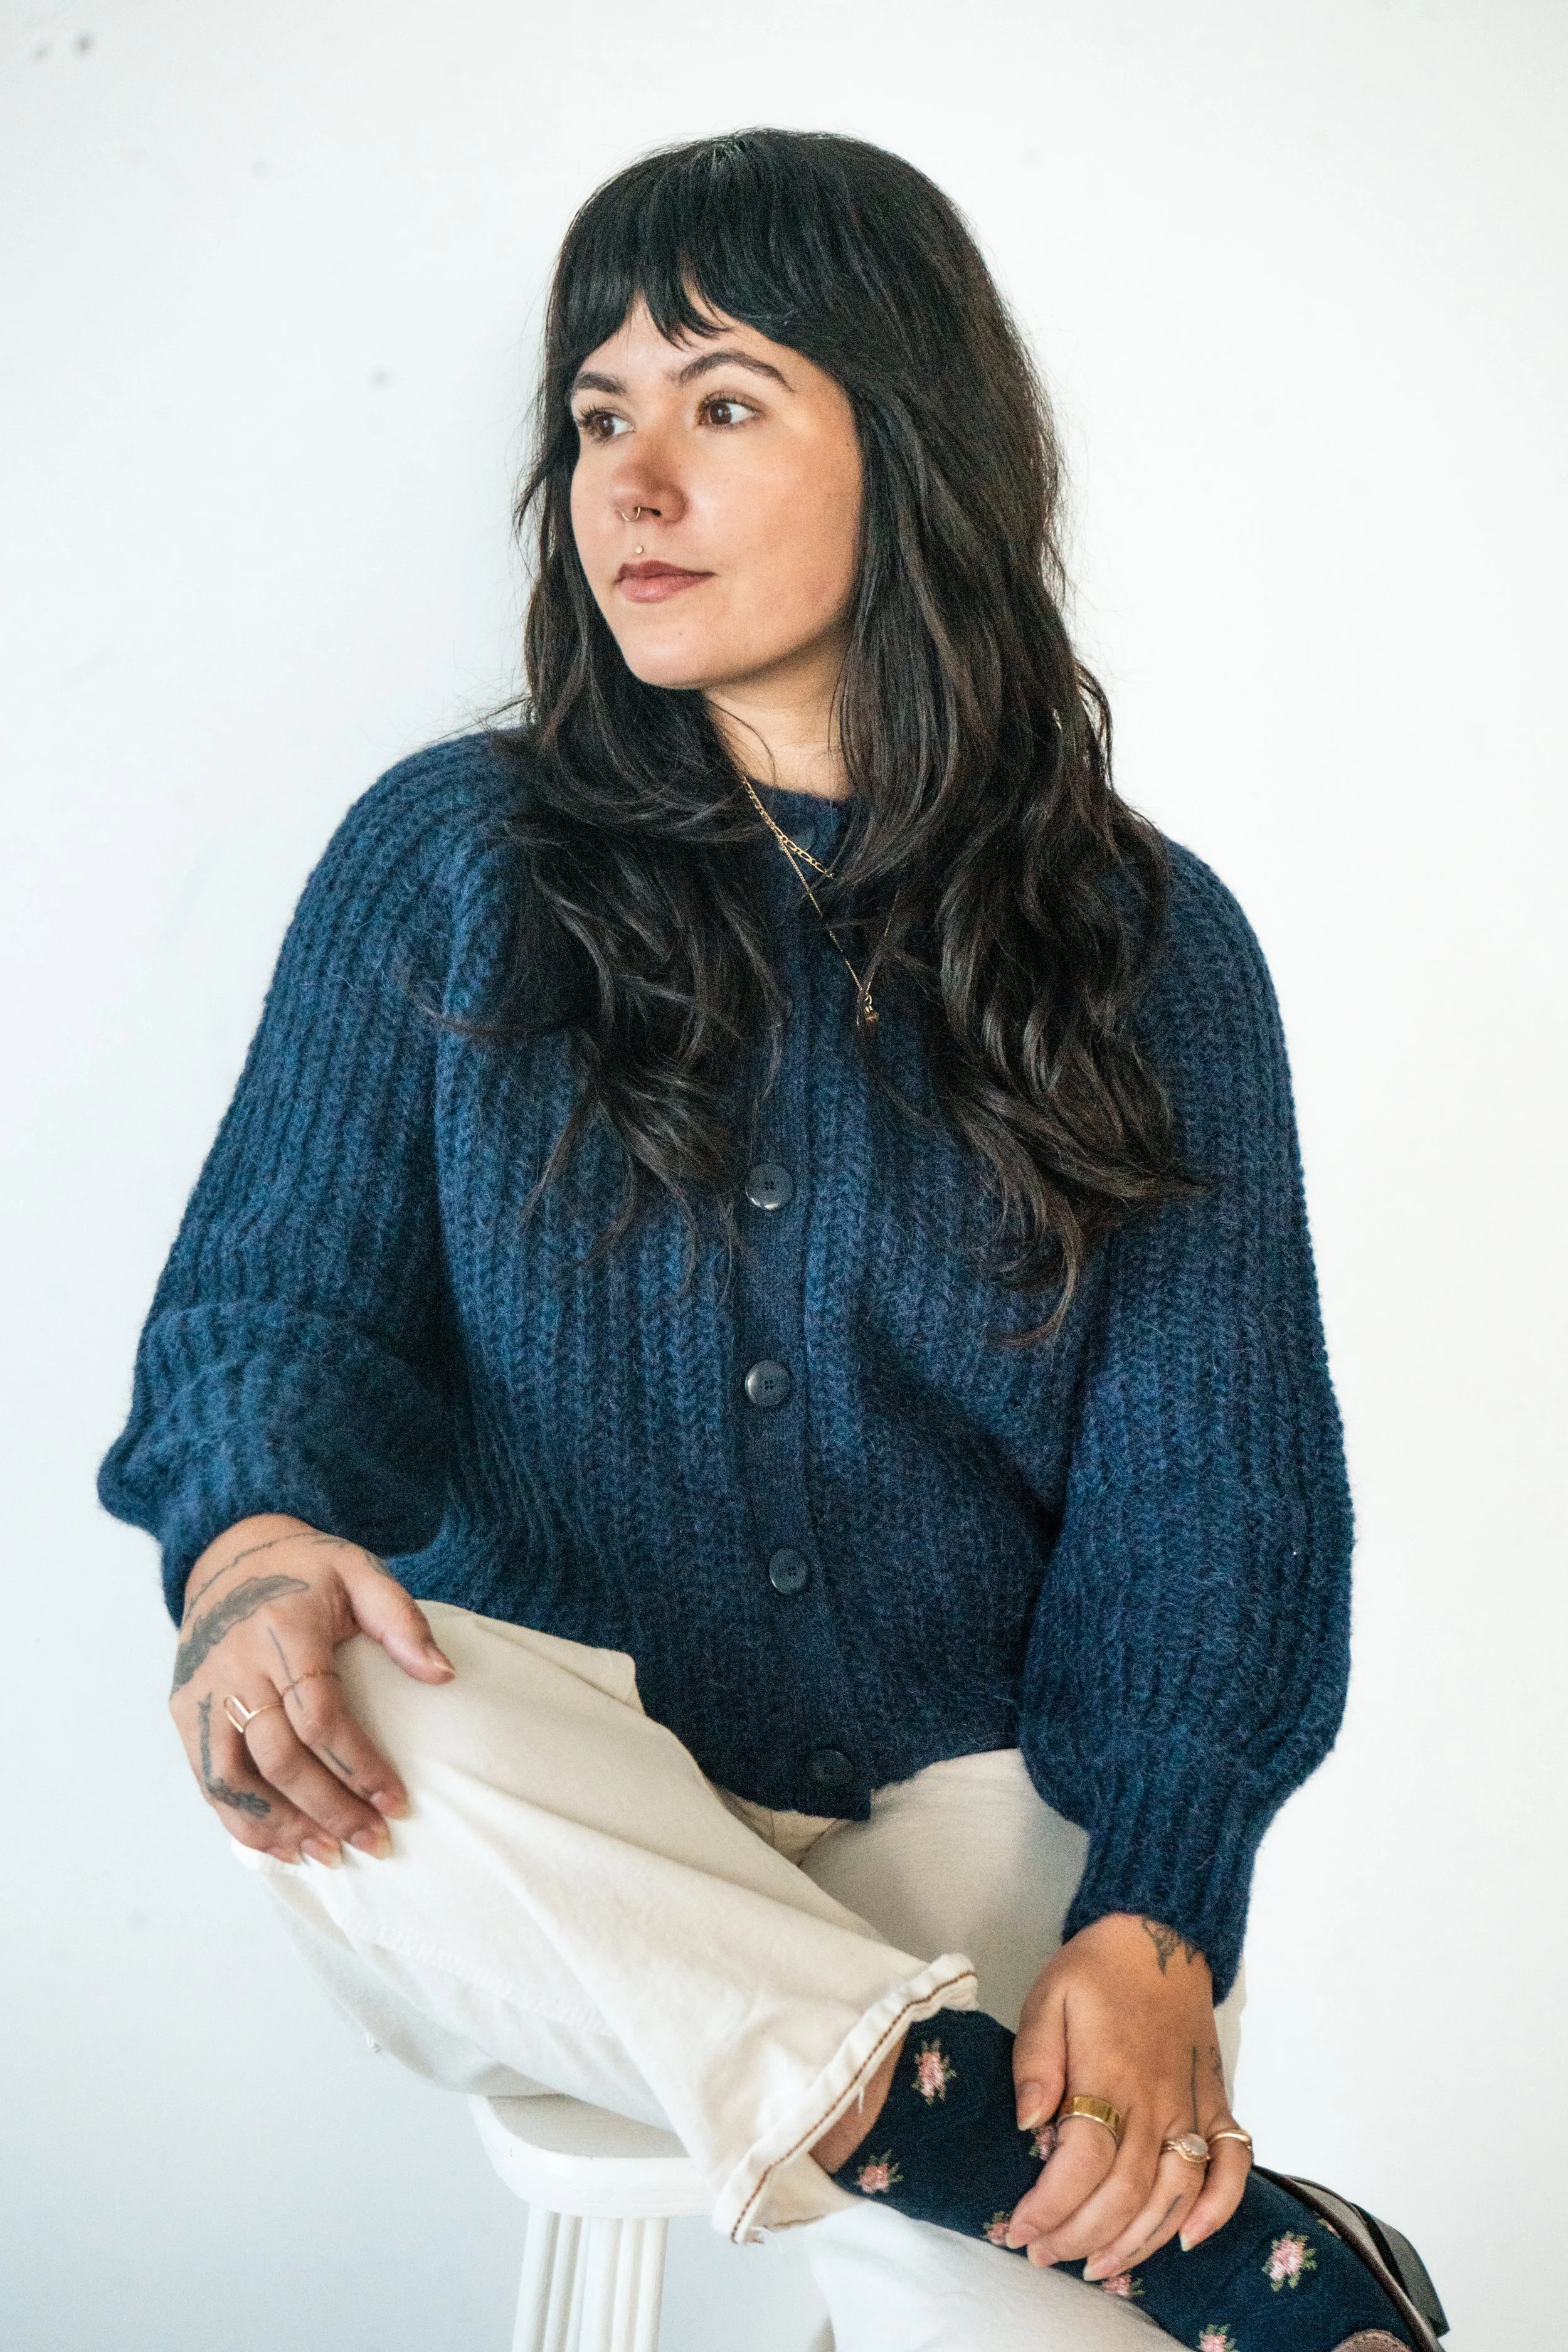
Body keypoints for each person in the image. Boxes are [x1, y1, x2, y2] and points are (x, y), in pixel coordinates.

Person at [99, 130, 1436, 2351]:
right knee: (335, 1691)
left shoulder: (1143, 941)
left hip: (969, 1810)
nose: (631, 482)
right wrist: (245, 1549)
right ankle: (1032, 2174)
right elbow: (270, 1306)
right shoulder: (451, 858)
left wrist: (1161, 1910)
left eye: (719, 403)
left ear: (906, 442)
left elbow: (1211, 1492)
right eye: (596, 416)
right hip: (555, 1817)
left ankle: (960, 2156)